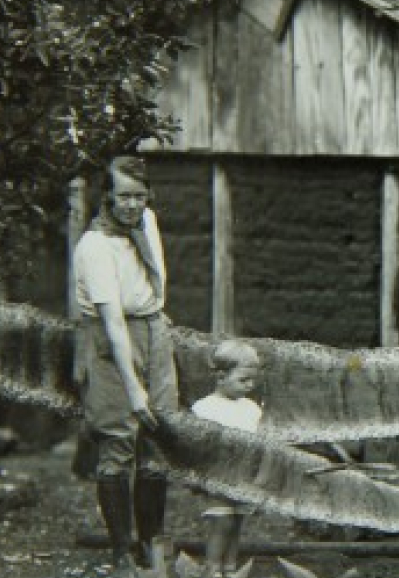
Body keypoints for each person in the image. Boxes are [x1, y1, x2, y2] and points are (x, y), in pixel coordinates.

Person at [74, 155, 178, 578]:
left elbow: (152, 285)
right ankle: (121, 552)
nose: (133, 205)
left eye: (139, 195)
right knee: (118, 440)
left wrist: (158, 328)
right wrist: (133, 387)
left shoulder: (147, 221)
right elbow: (113, 321)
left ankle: (150, 546)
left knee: (159, 433)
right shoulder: (94, 246)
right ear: (106, 197)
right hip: (112, 337)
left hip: (154, 329)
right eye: (124, 197)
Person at [191, 339, 264, 578]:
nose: (249, 385)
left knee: (237, 521)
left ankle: (230, 567)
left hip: (244, 475)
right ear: (221, 377)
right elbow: (199, 446)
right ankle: (212, 567)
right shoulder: (204, 408)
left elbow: (257, 442)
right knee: (221, 522)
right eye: (243, 380)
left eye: (252, 380)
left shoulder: (251, 409)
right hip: (218, 474)